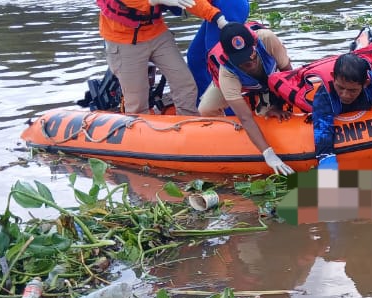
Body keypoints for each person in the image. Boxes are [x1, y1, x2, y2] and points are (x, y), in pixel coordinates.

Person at [96, 0, 231, 115]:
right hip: (122, 38)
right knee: (137, 100)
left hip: (156, 32)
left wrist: (217, 17)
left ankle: (188, 126)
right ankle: (141, 137)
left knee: (185, 84)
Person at [198, 23, 295, 175]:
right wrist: (268, 154)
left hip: (269, 78)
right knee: (205, 109)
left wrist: (278, 105)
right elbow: (245, 118)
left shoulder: (267, 39)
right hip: (239, 82)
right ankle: (232, 137)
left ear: (255, 45)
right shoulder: (226, 71)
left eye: (250, 56)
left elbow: (288, 74)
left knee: (266, 116)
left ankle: (263, 104)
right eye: (241, 61)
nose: (248, 63)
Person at [186, 0, 250, 102]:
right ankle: (204, 103)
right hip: (214, 6)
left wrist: (217, 17)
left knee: (217, 61)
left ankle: (229, 110)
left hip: (228, 5)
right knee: (196, 56)